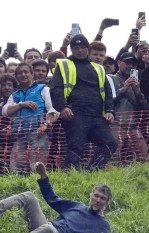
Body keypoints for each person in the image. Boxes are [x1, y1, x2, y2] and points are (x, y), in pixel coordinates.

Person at [0, 162, 111, 233]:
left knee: (49, 229)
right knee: (29, 196)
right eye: (96, 195)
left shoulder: (102, 224)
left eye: (102, 198)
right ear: (91, 195)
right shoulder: (78, 206)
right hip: (46, 226)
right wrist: (43, 175)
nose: (98, 200)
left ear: (107, 203)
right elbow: (53, 199)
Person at [49, 34, 117, 169]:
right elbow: (56, 88)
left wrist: (110, 110)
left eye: (82, 47)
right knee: (75, 148)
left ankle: (92, 171)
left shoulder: (99, 68)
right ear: (71, 49)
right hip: (75, 114)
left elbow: (107, 92)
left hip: (97, 115)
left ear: (87, 49)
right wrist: (62, 107)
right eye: (76, 47)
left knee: (110, 143)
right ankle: (69, 179)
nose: (79, 50)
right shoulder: (63, 64)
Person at [2, 62, 58, 174]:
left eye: (26, 72)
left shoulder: (43, 88)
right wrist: (21, 104)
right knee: (15, 165)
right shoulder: (15, 95)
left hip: (38, 132)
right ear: (16, 76)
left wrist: (45, 125)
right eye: (20, 73)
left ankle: (39, 187)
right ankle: (17, 187)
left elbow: (53, 111)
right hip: (19, 134)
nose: (23, 75)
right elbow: (5, 111)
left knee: (36, 165)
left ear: (32, 74)